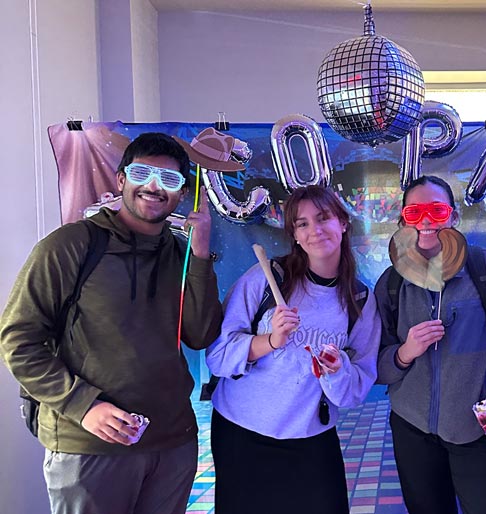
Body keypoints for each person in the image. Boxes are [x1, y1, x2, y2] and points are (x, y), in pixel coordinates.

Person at [0, 132, 223, 514]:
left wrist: (200, 255)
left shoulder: (181, 253)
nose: (154, 187)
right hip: (89, 443)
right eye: (143, 174)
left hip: (172, 444)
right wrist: (84, 406)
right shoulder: (70, 245)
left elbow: (201, 334)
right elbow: (18, 341)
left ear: (183, 194)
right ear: (121, 180)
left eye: (169, 180)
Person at [206, 185, 381, 514]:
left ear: (343, 222)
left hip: (311, 438)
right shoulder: (266, 278)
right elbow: (217, 357)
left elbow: (355, 389)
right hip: (242, 434)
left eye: (323, 217)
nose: (314, 230)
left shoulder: (360, 300)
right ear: (294, 235)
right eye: (302, 224)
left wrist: (336, 368)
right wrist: (270, 340)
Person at [375, 175, 486, 514]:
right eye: (414, 212)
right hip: (412, 429)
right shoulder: (390, 283)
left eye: (437, 210)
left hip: (479, 429)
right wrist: (405, 352)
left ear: (454, 216)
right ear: (403, 219)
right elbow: (373, 363)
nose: (425, 221)